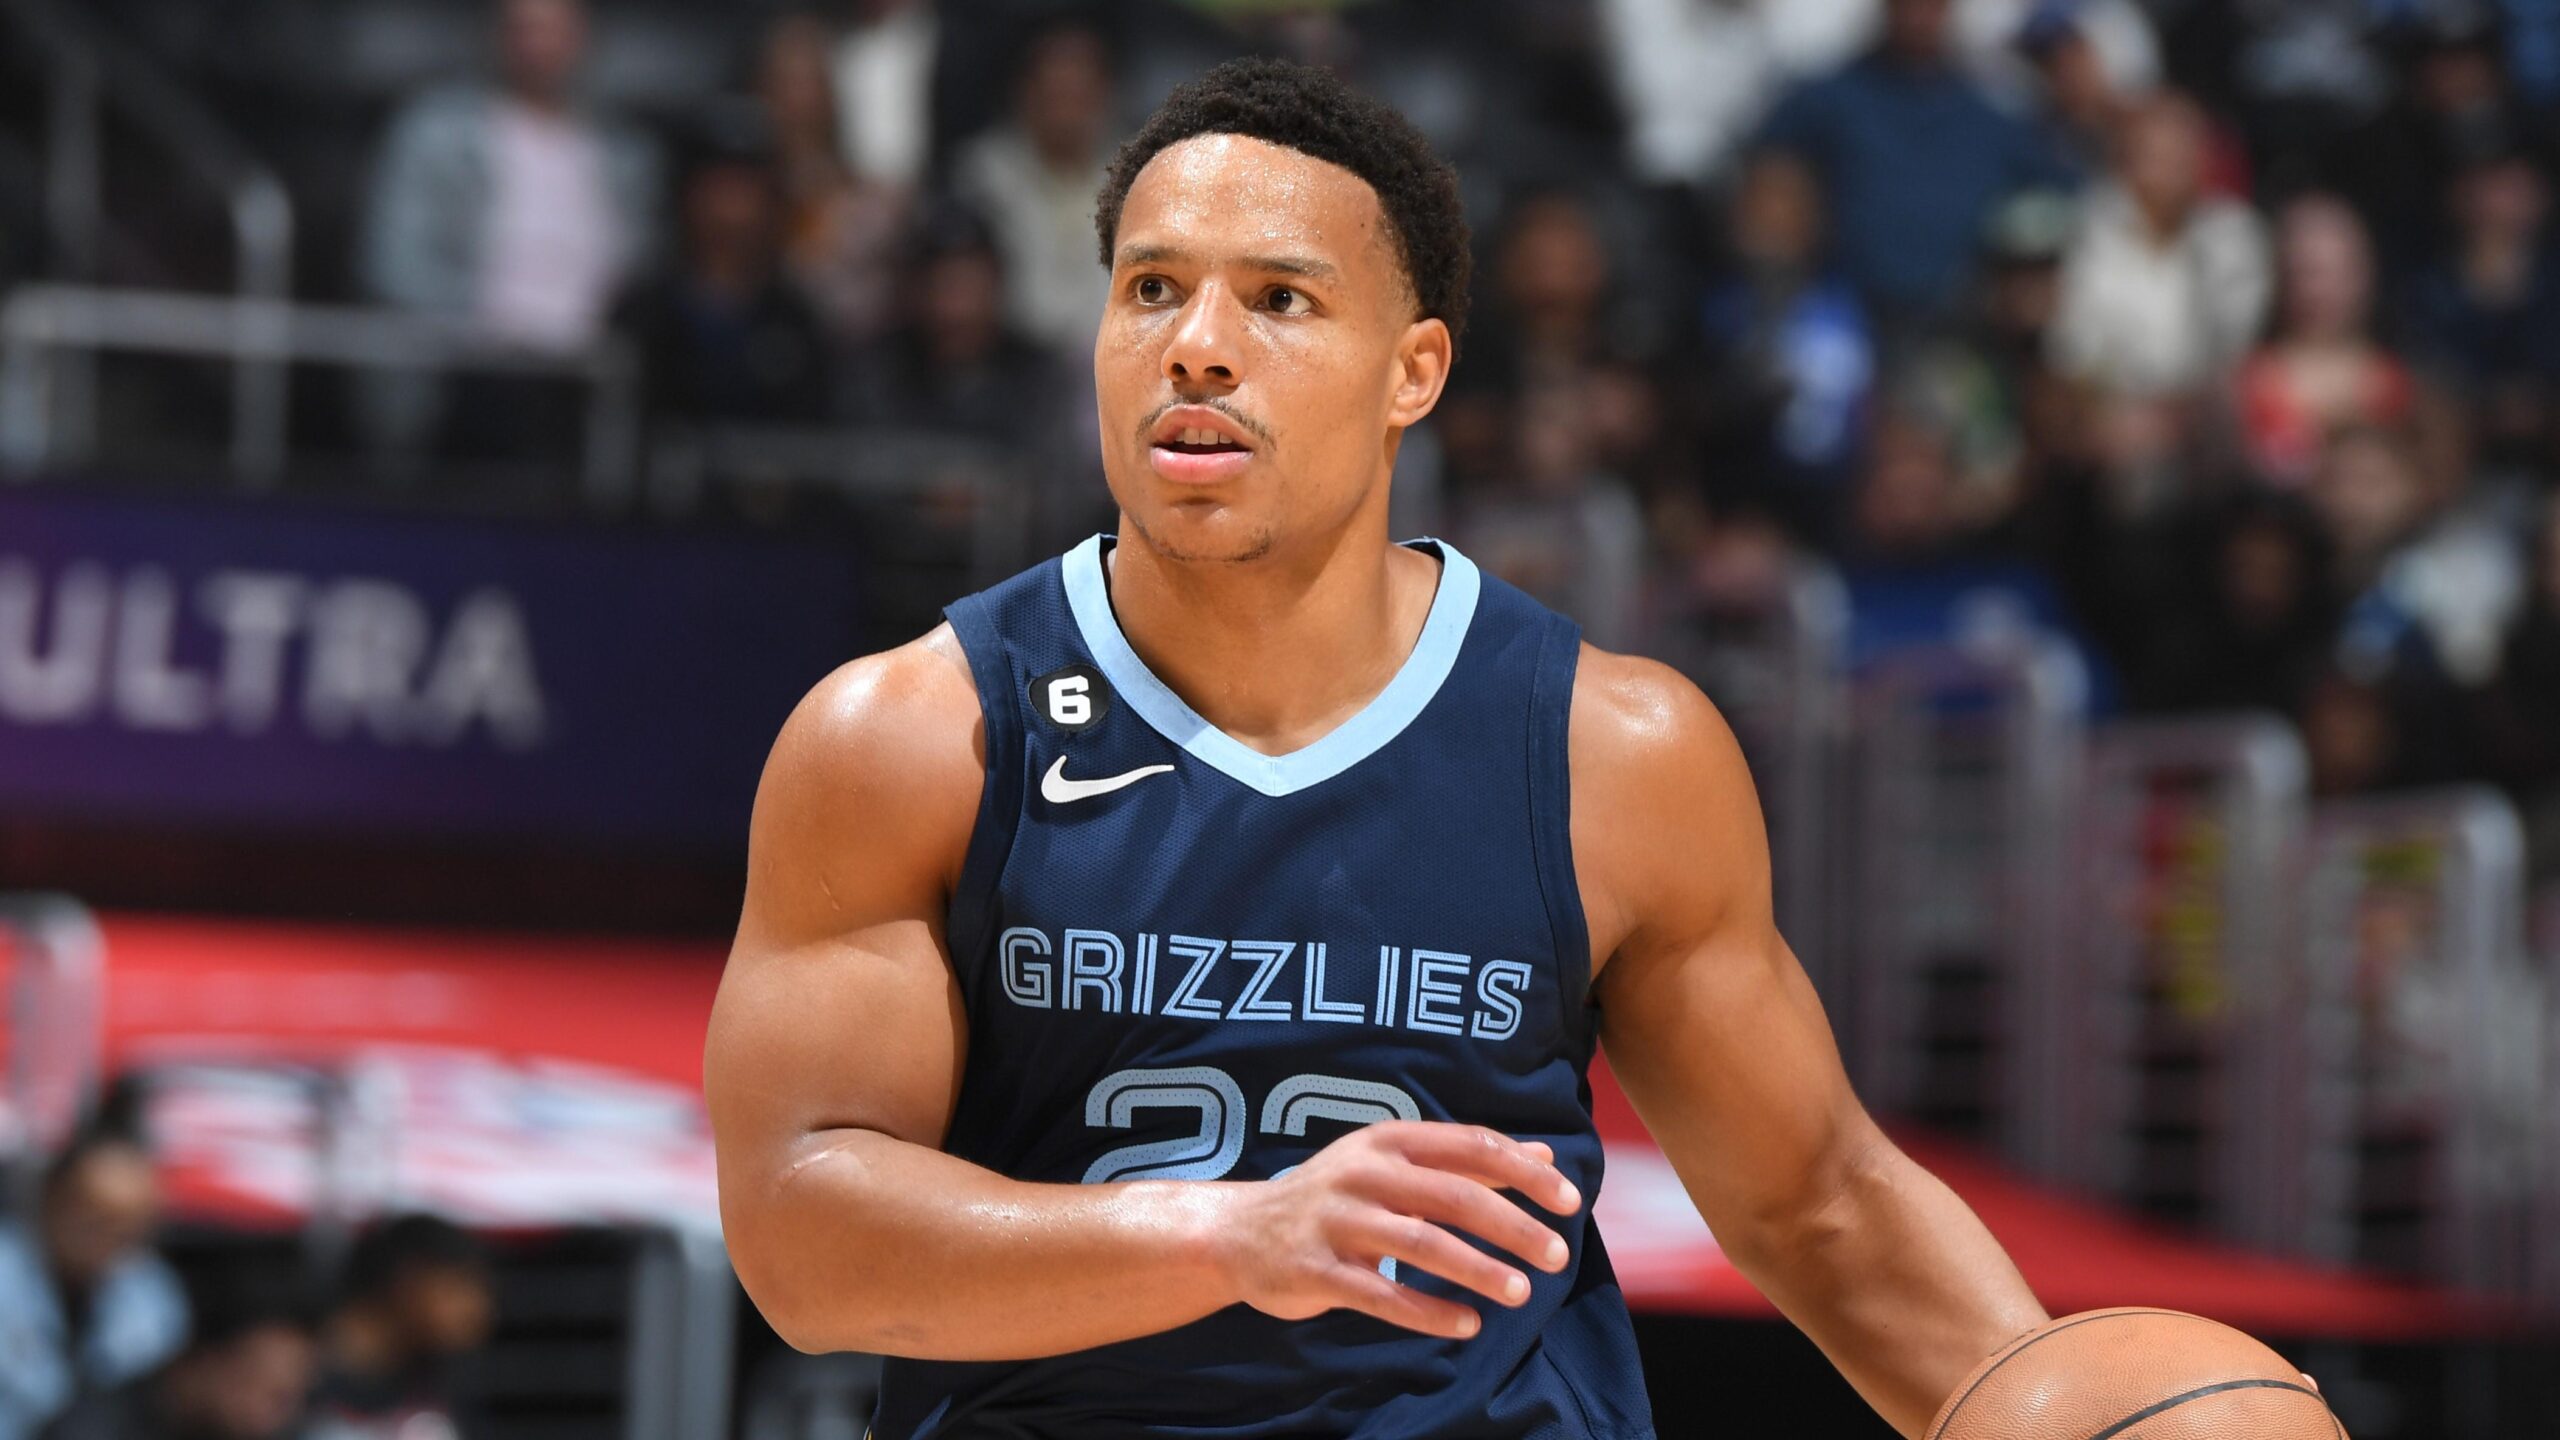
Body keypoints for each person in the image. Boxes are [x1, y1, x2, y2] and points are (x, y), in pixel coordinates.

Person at [706, 57, 2046, 1439]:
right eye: (1152, 288)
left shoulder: (1611, 753)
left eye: (1278, 299)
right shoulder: (914, 737)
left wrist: (2063, 1406)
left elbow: (1819, 1205)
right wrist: (1227, 1238)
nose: (1196, 345)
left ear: (1415, 372)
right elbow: (803, 1240)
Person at [357, 0, 660, 454]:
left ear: (585, 39)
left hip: (588, 379)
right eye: (524, 28)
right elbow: (393, 263)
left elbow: (645, 270)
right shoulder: (433, 131)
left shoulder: (627, 155)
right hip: (469, 370)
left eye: (554, 30)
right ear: (496, 35)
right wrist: (495, 329)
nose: (537, 46)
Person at [1760, 0, 2077, 330]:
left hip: (1960, 324)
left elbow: (2063, 192)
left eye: (1931, 5)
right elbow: (1768, 175)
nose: (1918, 16)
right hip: (1843, 317)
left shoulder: (1991, 114)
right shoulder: (1828, 100)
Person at [0, 1115, 187, 1440]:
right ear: (51, 1197)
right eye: (94, 1219)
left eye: (128, 1229)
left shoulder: (153, 1301)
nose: (107, 1240)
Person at [952, 22, 1121, 359]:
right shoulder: (985, 175)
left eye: (1078, 97)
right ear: (1026, 95)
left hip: (1110, 355)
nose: (1066, 114)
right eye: (1055, 96)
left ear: (1104, 96)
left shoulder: (1134, 175)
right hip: (1010, 360)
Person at [38, 1263, 316, 1440]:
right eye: (255, 1385)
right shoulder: (94, 1426)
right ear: (203, 1360)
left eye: (285, 1399)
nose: (265, 1416)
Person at [304, 1217, 495, 1440]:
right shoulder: (293, 1366)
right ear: (408, 1278)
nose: (478, 1309)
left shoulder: (440, 1386)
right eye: (459, 1287)